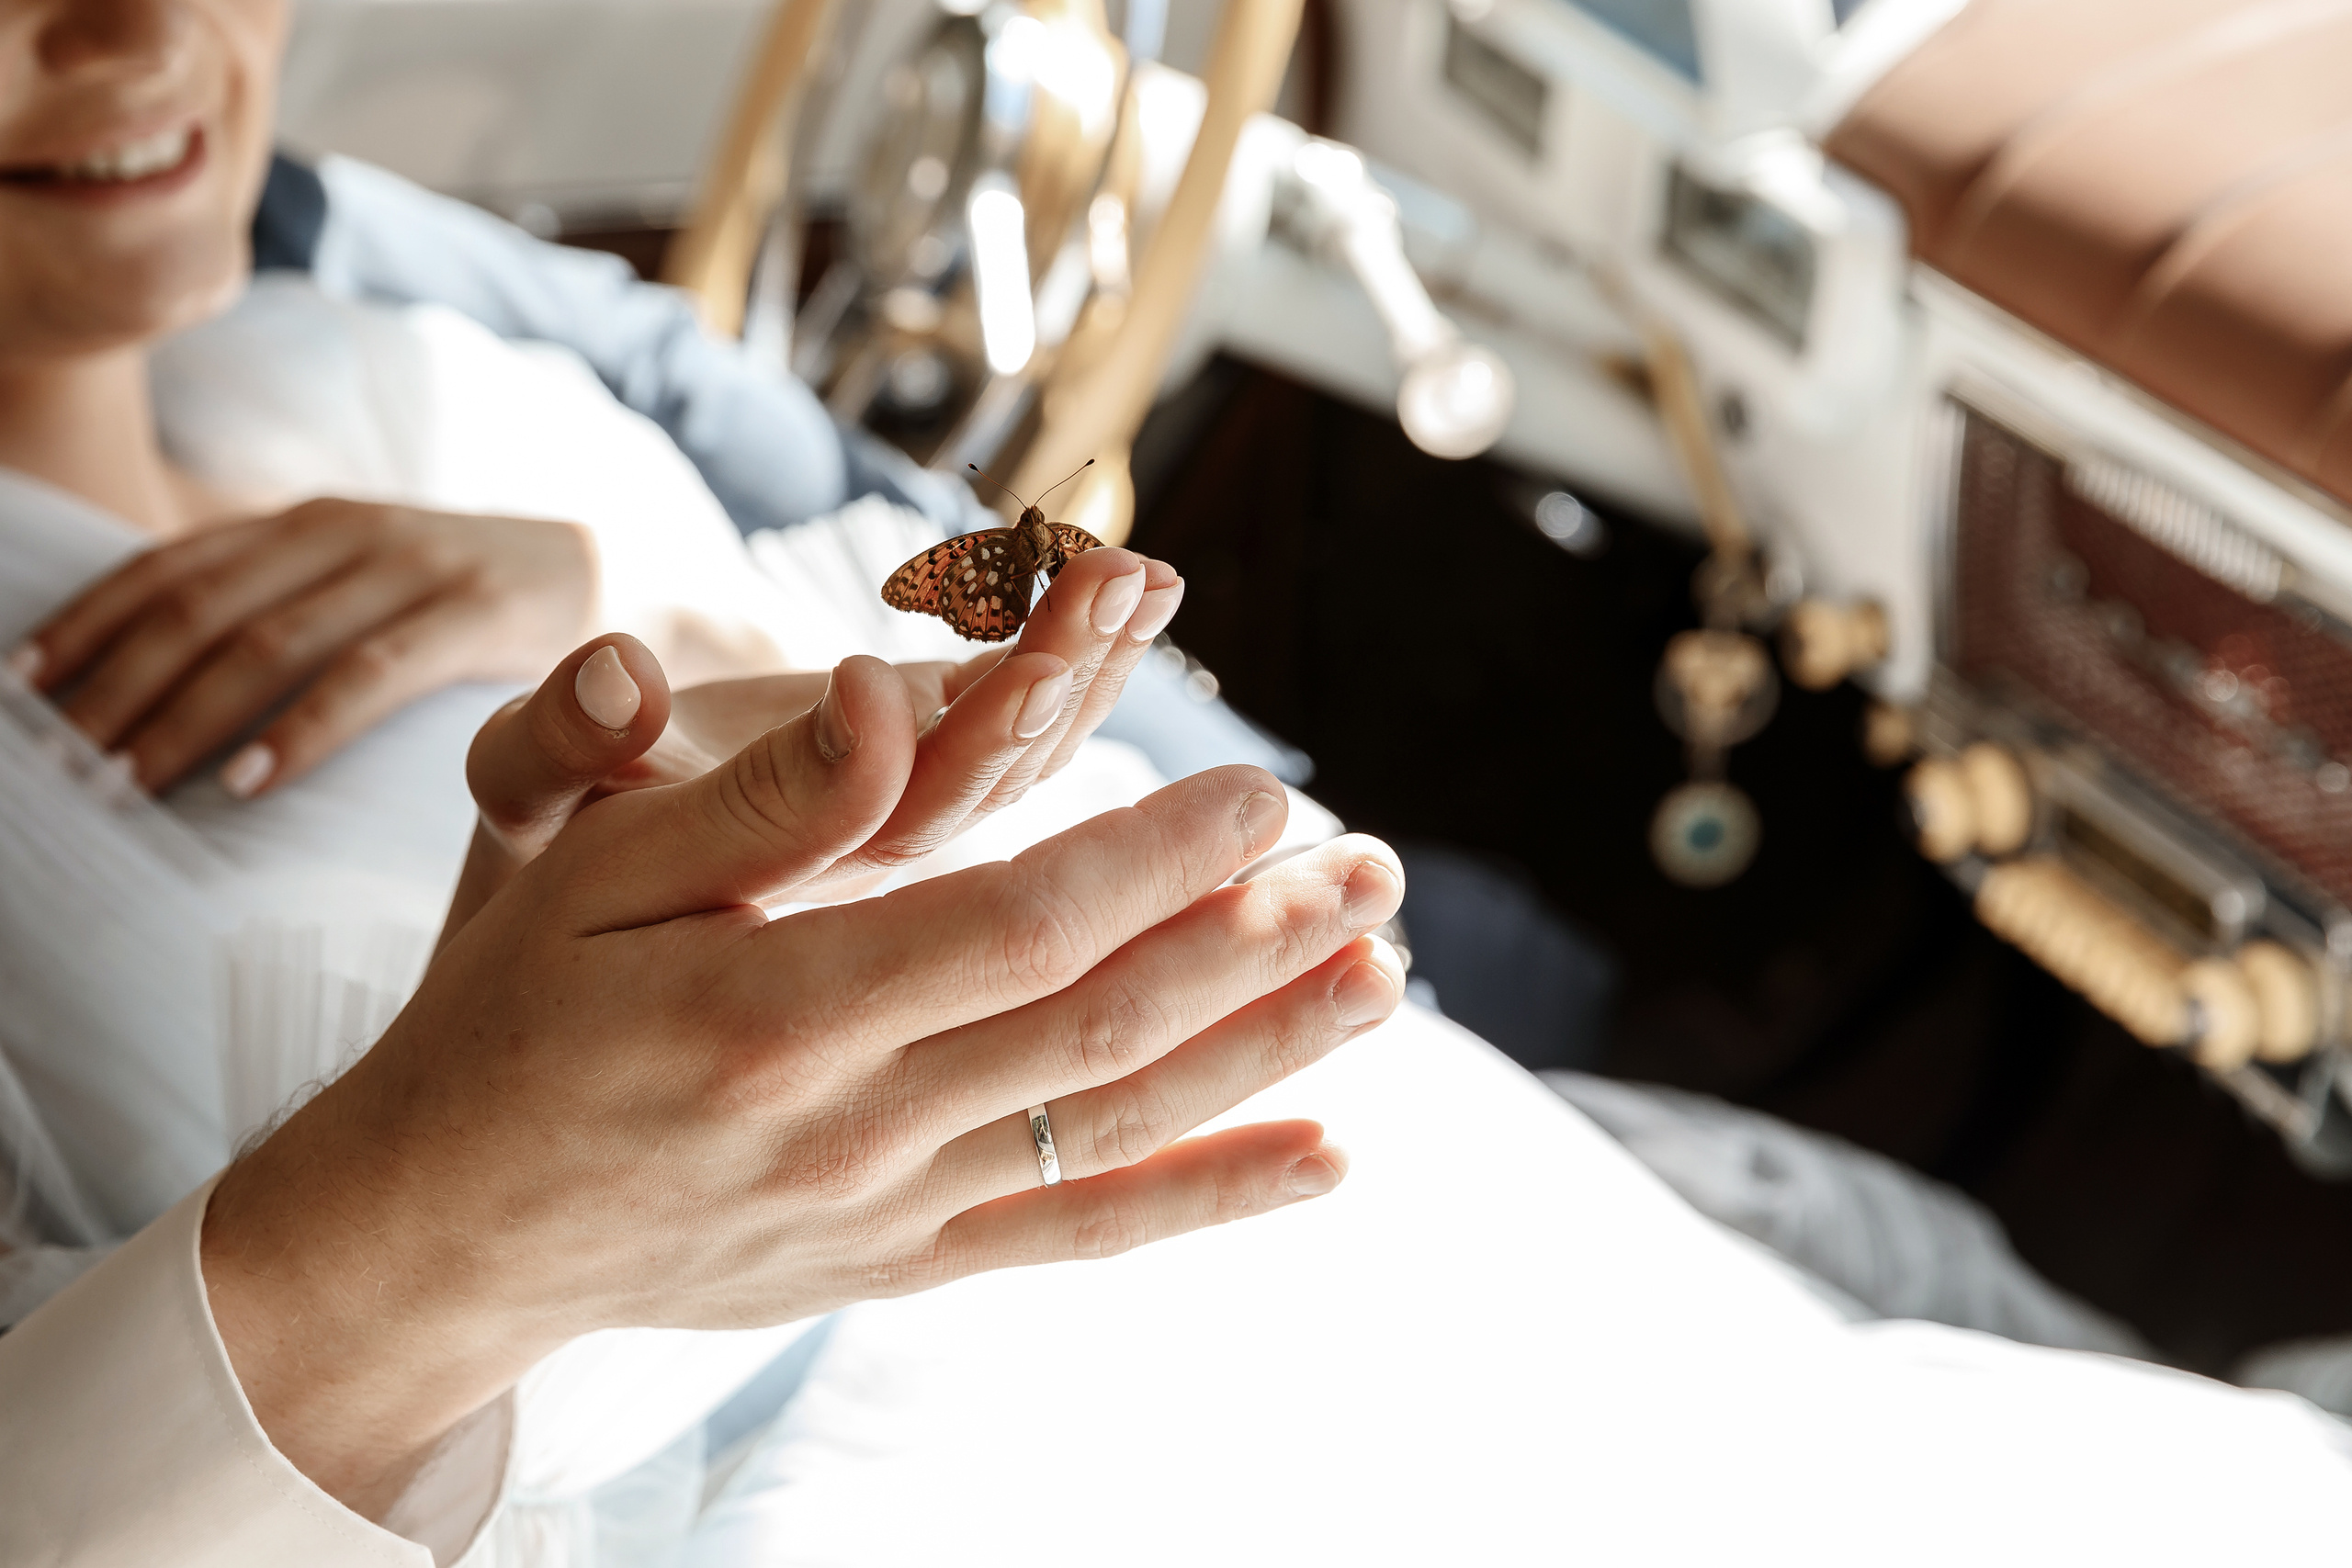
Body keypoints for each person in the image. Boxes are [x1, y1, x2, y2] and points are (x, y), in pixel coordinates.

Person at [6, 1, 2352, 1562]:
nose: (123, 36)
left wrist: (663, 631)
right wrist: (438, 1239)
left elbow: (974, 676)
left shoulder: (442, 346)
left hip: (1439, 1232)